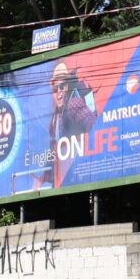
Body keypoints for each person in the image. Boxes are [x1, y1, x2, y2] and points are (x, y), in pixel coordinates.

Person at [34, 61, 97, 189]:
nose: (59, 93)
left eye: (62, 87)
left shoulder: (74, 104)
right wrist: (42, 179)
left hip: (82, 172)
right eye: (55, 89)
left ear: (67, 87)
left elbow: (96, 128)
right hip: (66, 178)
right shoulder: (54, 120)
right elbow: (54, 153)